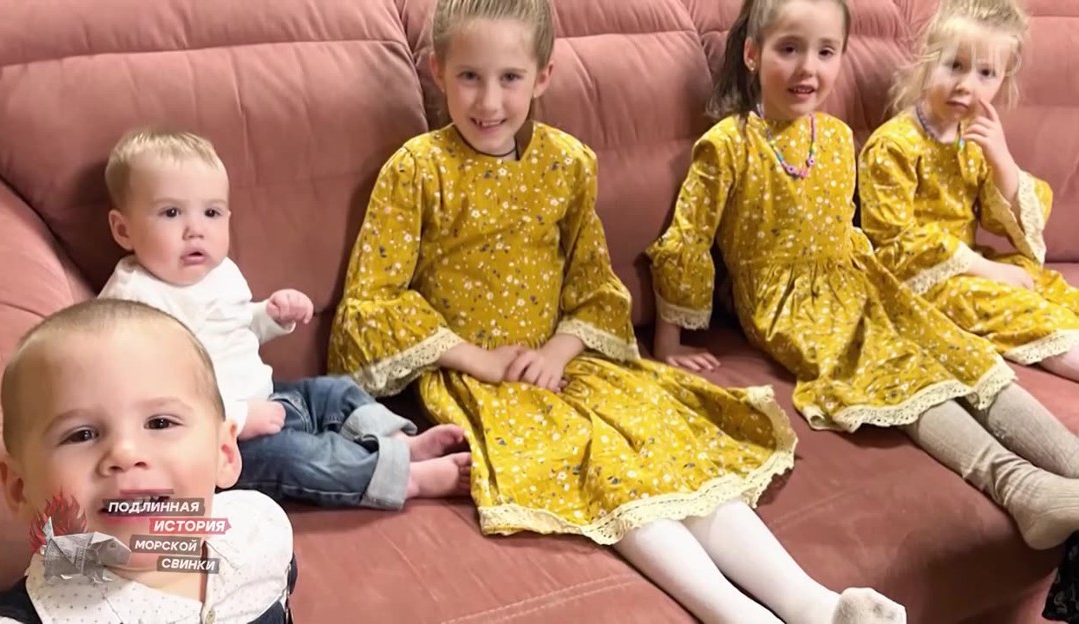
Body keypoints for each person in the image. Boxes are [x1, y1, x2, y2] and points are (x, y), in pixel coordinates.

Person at [330, 0, 904, 622]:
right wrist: (478, 360)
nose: (489, 101)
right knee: (605, 467)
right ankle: (736, 615)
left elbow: (594, 286)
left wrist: (560, 350)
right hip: (485, 383)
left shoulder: (567, 164)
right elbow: (372, 301)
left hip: (571, 365)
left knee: (668, 448)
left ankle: (816, 604)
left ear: (543, 76)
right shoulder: (416, 171)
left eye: (510, 77)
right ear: (439, 71)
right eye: (470, 76)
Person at [646, 0, 1079, 553]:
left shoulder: (833, 137)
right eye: (789, 49)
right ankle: (1020, 488)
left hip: (857, 278)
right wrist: (669, 341)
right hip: (787, 301)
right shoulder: (728, 145)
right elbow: (686, 239)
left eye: (826, 52)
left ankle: (1071, 462)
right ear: (753, 54)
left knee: (953, 348)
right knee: (895, 369)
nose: (808, 68)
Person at [98, 128, 470, 511]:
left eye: (211, 213)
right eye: (171, 212)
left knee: (335, 393)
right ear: (124, 230)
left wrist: (270, 316)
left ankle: (399, 444)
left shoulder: (218, 272)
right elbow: (151, 402)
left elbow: (234, 329)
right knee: (299, 457)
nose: (196, 230)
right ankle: (406, 479)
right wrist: (239, 418)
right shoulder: (132, 304)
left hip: (272, 396)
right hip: (223, 446)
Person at [0, 299, 295, 623]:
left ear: (223, 453)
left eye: (160, 423)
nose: (125, 454)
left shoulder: (261, 531)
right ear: (20, 489)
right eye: (82, 434)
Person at [857, 0, 1079, 382]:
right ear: (929, 61)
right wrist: (988, 271)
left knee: (1048, 286)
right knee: (1017, 307)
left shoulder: (972, 139)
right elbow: (894, 244)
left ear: (1002, 81)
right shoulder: (893, 146)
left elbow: (1001, 218)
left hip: (969, 265)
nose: (966, 85)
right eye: (955, 65)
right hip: (917, 281)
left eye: (986, 73)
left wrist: (1002, 160)